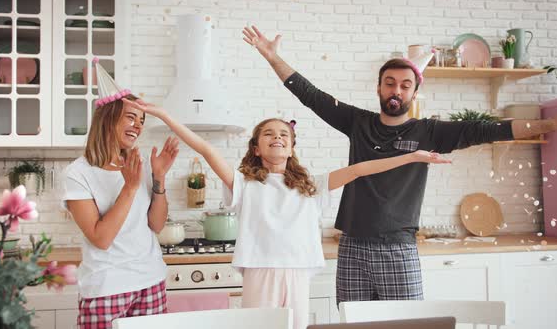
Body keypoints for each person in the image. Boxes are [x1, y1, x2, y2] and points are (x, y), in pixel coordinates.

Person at [242, 25, 557, 304]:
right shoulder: (358, 122)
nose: (396, 90)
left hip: (398, 249)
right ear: (378, 87)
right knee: (353, 325)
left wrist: (553, 125)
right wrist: (271, 56)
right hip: (352, 247)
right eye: (390, 83)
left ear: (414, 93)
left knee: (408, 325)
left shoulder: (429, 132)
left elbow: (494, 129)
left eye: (405, 85)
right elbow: (310, 94)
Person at [123, 97, 451, 329]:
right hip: (260, 270)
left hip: (297, 271)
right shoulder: (245, 183)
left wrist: (410, 158)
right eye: (268, 134)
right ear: (256, 147)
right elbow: (207, 150)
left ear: (291, 148)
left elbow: (360, 170)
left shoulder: (311, 185)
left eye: (284, 135)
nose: (277, 138)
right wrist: (165, 116)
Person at [62, 59, 179, 328]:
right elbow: (101, 238)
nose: (138, 125)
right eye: (130, 116)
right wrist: (129, 187)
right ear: (109, 117)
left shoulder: (141, 165)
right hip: (106, 287)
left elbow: (156, 225)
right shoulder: (78, 173)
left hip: (151, 281)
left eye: (141, 120)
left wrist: (159, 177)